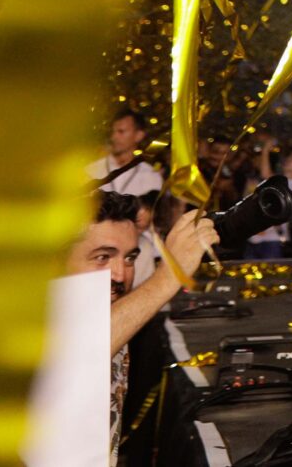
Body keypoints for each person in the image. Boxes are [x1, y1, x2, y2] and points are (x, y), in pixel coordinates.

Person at [72, 192, 217, 463]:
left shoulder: (111, 314)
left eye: (129, 258)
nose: (120, 274)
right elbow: (74, 353)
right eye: (102, 257)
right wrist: (171, 273)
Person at [89, 107, 165, 197]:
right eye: (113, 131)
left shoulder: (150, 177)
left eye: (121, 131)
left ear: (139, 135)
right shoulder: (91, 171)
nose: (114, 137)